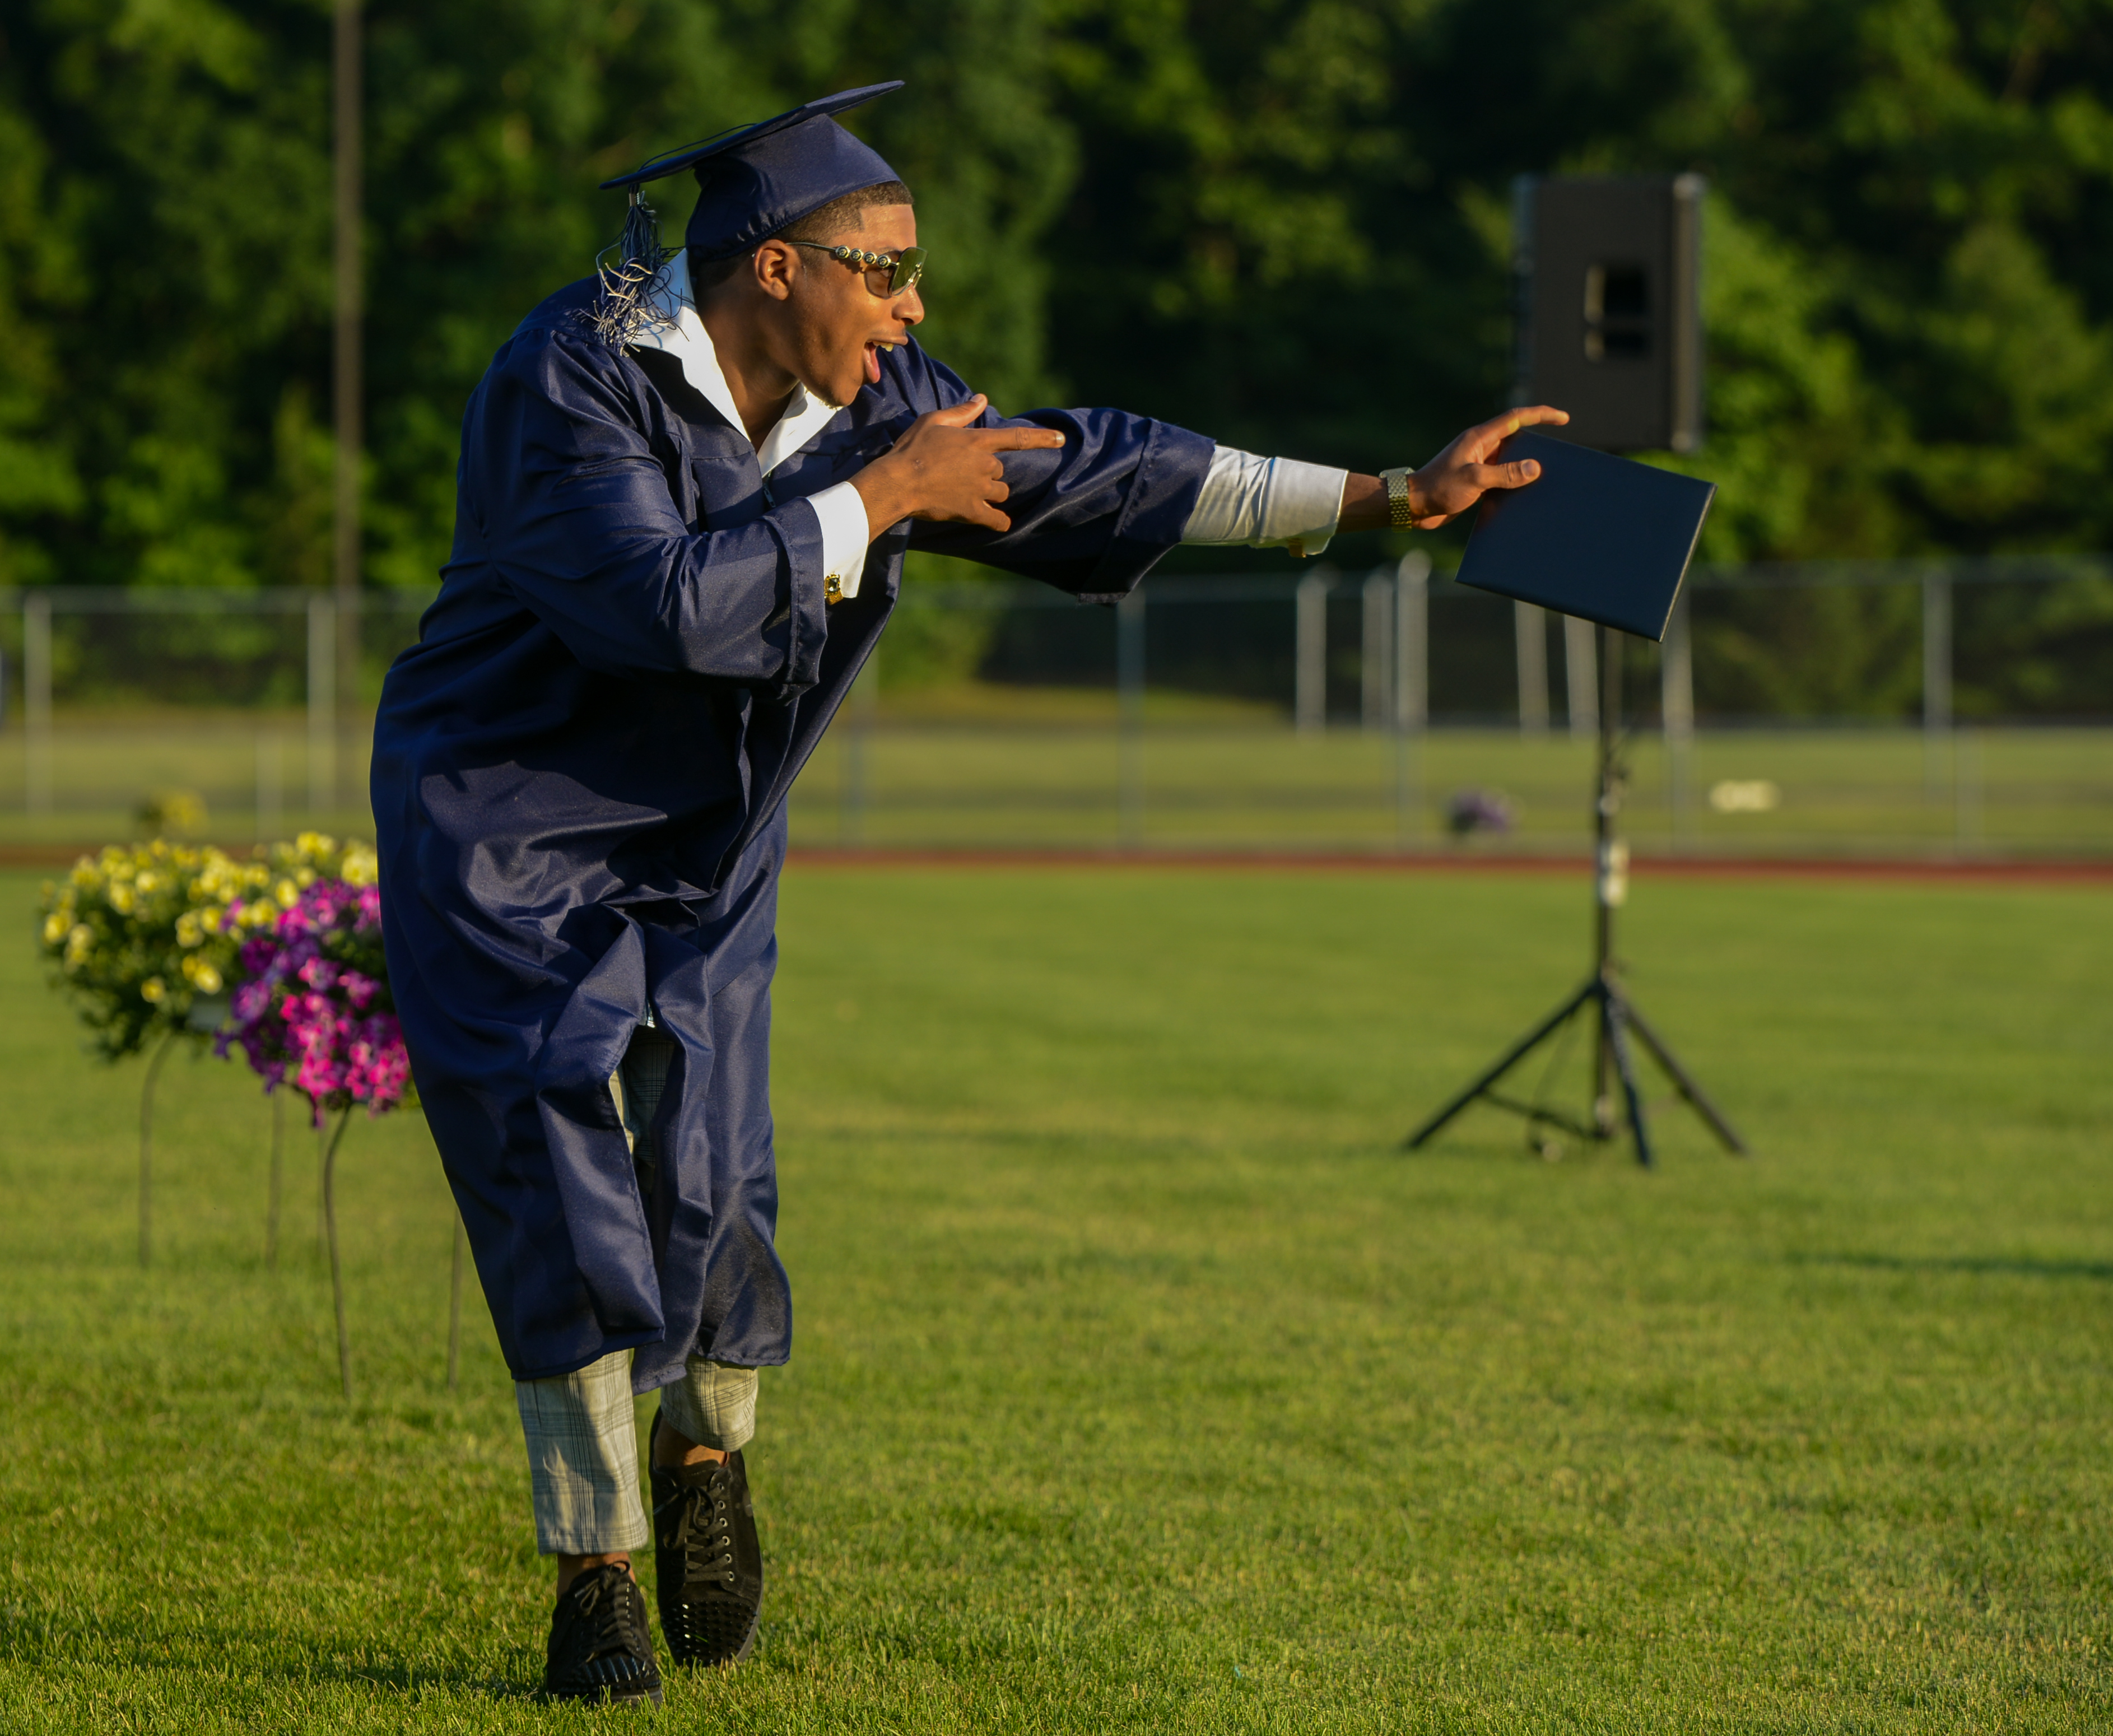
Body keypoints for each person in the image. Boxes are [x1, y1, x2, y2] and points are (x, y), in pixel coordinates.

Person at [372, 84, 1564, 1705]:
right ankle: (594, 1577)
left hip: (704, 841)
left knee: (714, 1176)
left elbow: (1099, 472)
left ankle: (706, 1456)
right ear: (775, 268)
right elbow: (655, 610)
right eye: (889, 268)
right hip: (508, 831)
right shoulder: (569, 379)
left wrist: (1380, 495)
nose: (915, 304)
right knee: (556, 1174)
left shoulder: (875, 401)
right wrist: (879, 499)